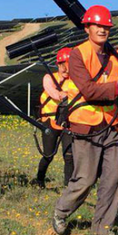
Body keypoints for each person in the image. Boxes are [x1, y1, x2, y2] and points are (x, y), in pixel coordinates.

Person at [52, 5, 118, 235]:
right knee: (85, 179)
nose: (103, 30)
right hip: (86, 126)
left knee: (113, 178)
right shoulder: (77, 55)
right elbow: (89, 91)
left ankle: (102, 228)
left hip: (111, 124)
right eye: (98, 25)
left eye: (106, 26)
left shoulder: (117, 56)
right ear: (87, 28)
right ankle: (61, 212)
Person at [36, 47, 74, 187]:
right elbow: (52, 92)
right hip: (50, 122)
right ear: (58, 65)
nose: (66, 70)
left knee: (69, 156)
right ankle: (40, 179)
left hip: (67, 123)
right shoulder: (49, 78)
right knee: (48, 155)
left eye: (69, 66)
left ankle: (68, 186)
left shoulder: (74, 81)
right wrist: (62, 95)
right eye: (63, 66)